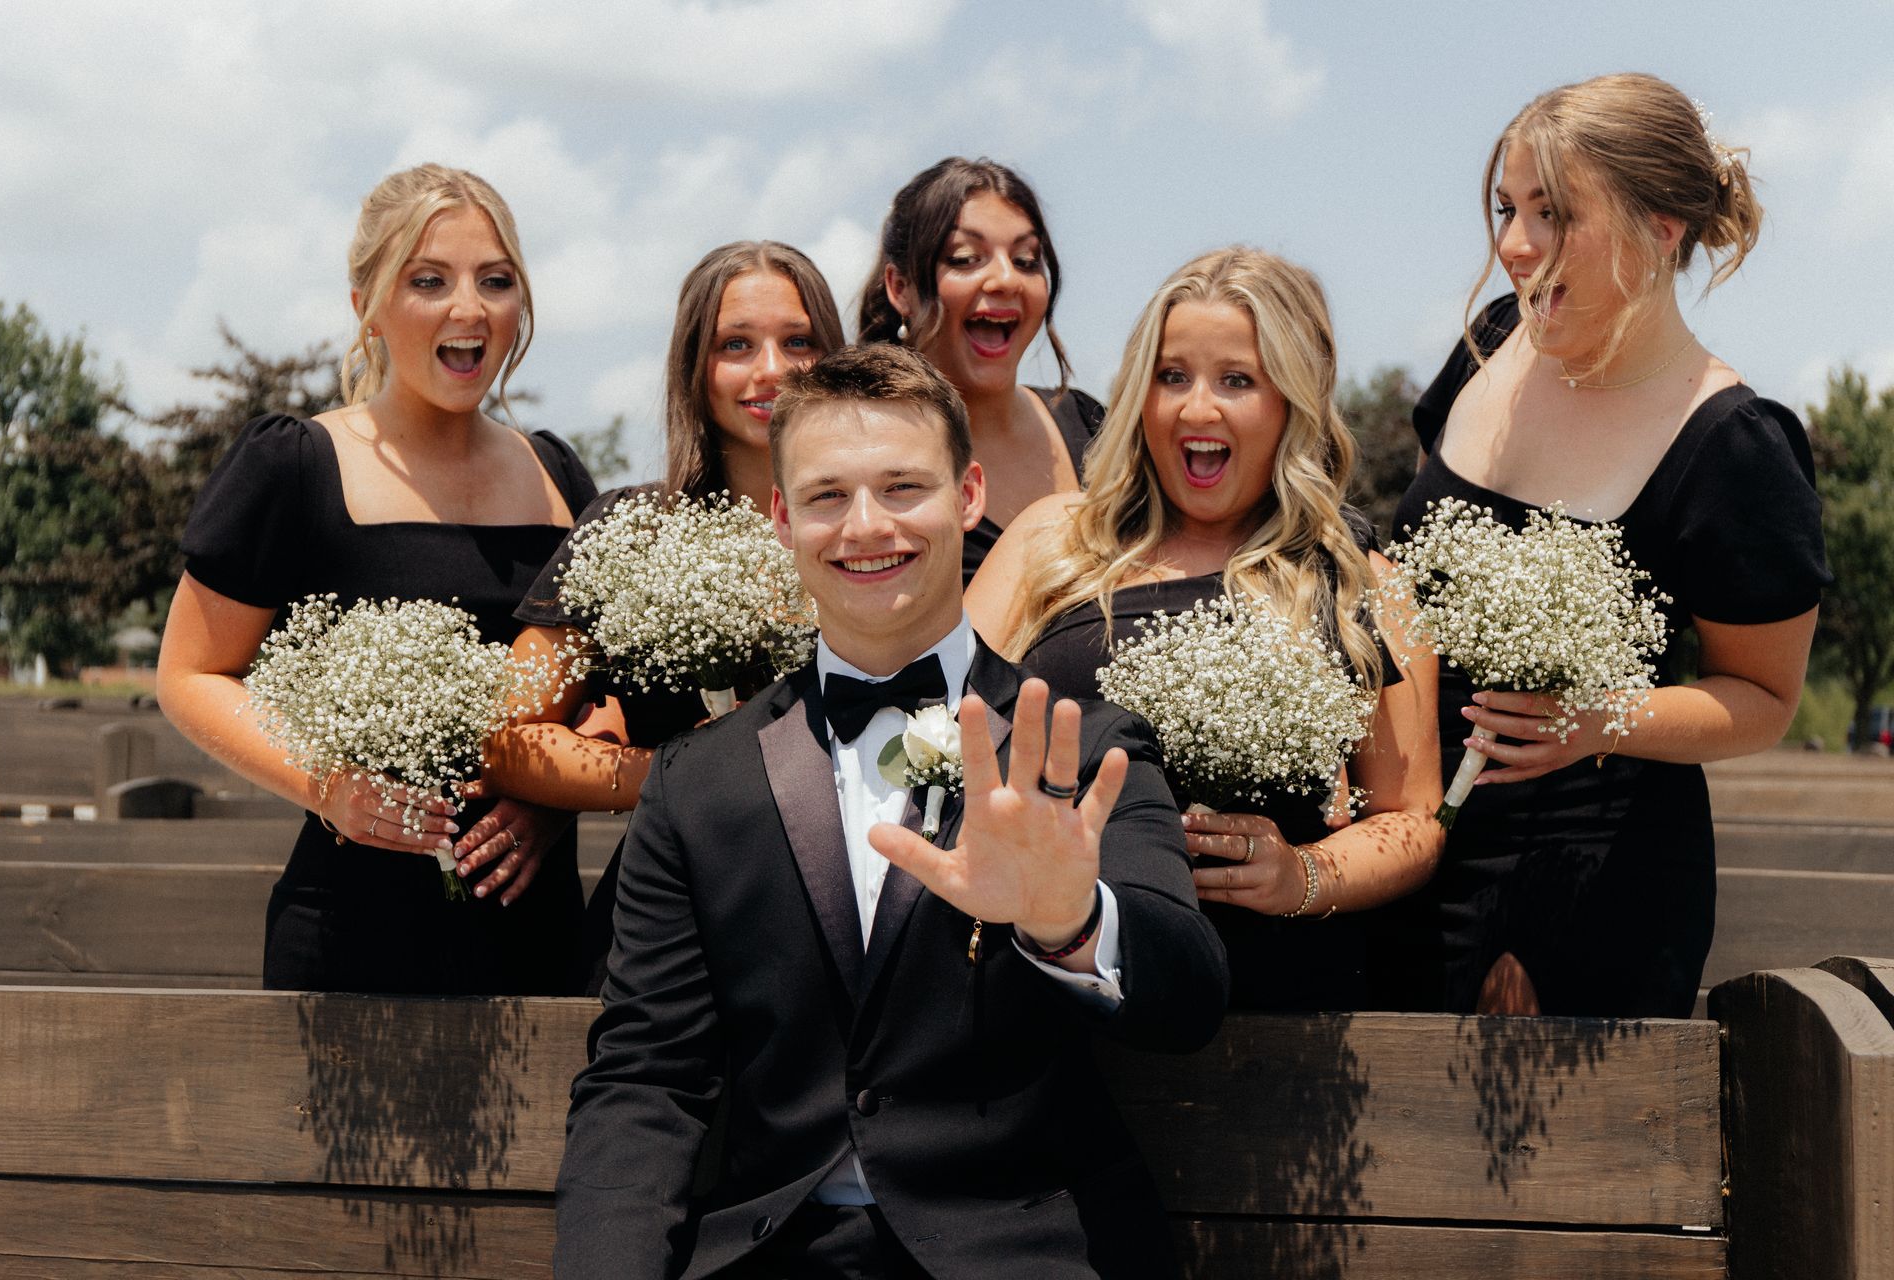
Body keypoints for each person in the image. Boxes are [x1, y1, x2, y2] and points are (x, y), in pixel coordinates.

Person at [553, 344, 1229, 1279]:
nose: (866, 527)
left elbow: (1188, 998)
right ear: (783, 517)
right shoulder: (697, 783)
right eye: (828, 496)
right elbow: (645, 1081)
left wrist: (1068, 921)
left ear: (969, 495)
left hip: (1022, 1254)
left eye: (903, 487)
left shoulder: (1081, 744)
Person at [1386, 73, 1830, 1017]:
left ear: (1662, 225)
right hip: (1405, 843)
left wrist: (1600, 720)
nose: (1513, 244)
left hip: (1589, 891)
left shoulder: (1734, 443)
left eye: (1554, 213)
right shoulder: (1496, 335)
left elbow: (1764, 699)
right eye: (1508, 209)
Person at [156, 164, 599, 994]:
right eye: (429, 280)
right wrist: (327, 786)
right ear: (367, 307)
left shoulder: (560, 477)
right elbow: (190, 674)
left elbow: (603, 689)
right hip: (349, 935)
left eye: (495, 281)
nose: (469, 308)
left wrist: (552, 799)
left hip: (536, 935)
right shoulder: (294, 466)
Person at [967, 247, 1444, 1012]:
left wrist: (1304, 876)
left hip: (1276, 1003)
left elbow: (1411, 821)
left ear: (1291, 403)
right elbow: (939, 727)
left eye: (1237, 381)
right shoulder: (1051, 542)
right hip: (1047, 991)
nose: (1196, 408)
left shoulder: (1362, 582)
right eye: (1172, 376)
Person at [462, 241, 844, 988]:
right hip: (673, 922)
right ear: (693, 368)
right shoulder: (630, 530)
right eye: (736, 345)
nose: (772, 369)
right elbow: (504, 740)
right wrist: (670, 774)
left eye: (799, 341)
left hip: (846, 916)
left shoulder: (881, 529)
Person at [855, 156, 1105, 584]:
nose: (1005, 279)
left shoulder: (1091, 423)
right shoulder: (862, 451)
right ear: (900, 288)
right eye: (967, 258)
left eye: (1026, 260)